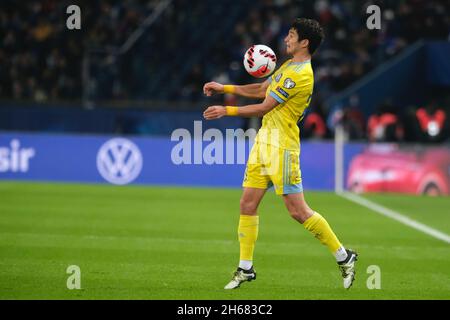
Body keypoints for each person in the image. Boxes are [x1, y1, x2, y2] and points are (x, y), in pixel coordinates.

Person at [202, 18, 358, 290]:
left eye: (291, 35)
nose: (286, 39)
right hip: (264, 142)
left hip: (282, 147)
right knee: (247, 205)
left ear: (304, 42)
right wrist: (224, 88)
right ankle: (245, 268)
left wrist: (227, 110)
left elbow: (264, 106)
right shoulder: (288, 66)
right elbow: (262, 89)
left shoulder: (302, 74)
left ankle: (344, 257)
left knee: (298, 211)